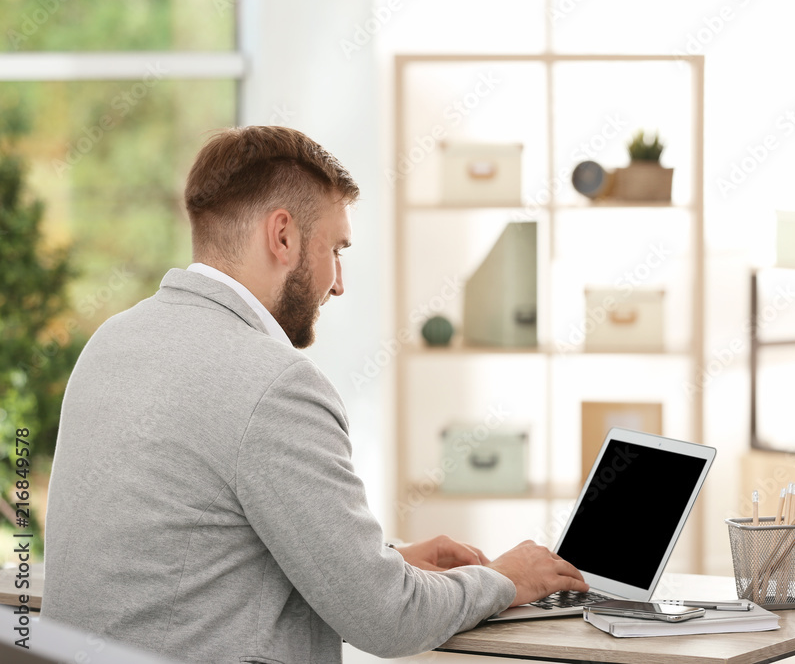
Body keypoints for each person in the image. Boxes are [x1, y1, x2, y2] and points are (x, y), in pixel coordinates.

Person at [42, 126, 588, 663]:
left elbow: (187, 548)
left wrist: (382, 562)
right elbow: (389, 620)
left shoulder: (112, 342)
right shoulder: (275, 384)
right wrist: (501, 579)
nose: (339, 282)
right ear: (283, 236)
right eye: (336, 249)